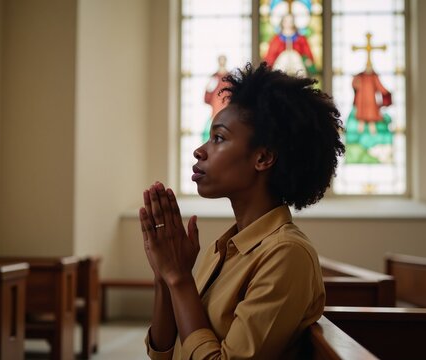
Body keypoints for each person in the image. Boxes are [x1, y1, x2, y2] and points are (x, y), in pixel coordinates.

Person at [139, 62, 345, 359]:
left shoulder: (286, 255)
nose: (200, 150)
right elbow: (165, 355)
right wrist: (164, 277)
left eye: (218, 138)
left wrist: (180, 279)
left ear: (262, 158)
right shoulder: (222, 248)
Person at [202, 55, 230, 143]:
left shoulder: (229, 78)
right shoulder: (214, 77)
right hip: (216, 110)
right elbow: (207, 97)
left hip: (227, 110)